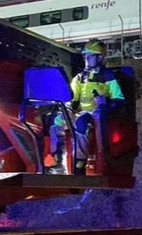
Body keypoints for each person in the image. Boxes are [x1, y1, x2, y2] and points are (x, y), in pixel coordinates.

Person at [48, 40, 125, 175]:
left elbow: (119, 99)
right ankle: (57, 161)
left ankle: (79, 165)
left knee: (81, 123)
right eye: (85, 56)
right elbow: (72, 98)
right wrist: (66, 107)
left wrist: (105, 101)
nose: (86, 59)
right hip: (79, 112)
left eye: (89, 56)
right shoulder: (79, 77)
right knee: (56, 121)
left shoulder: (108, 76)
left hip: (95, 114)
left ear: (99, 57)